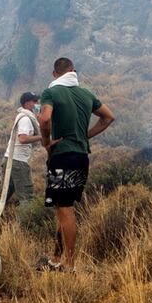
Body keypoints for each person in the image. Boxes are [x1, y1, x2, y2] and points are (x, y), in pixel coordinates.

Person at [37, 58, 114, 271]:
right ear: (73, 71)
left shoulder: (50, 92)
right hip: (81, 157)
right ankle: (56, 257)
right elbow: (108, 117)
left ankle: (69, 264)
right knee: (61, 208)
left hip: (62, 156)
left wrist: (46, 143)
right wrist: (85, 136)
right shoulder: (86, 94)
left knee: (66, 209)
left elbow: (44, 120)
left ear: (55, 74)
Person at [0, 92, 42, 223]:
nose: (36, 104)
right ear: (27, 103)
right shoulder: (26, 119)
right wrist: (43, 137)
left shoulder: (25, 117)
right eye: (34, 102)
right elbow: (22, 138)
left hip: (9, 159)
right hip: (18, 162)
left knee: (3, 194)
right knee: (26, 197)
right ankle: (23, 229)